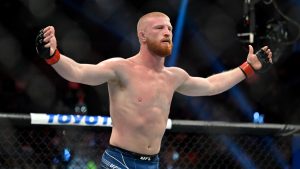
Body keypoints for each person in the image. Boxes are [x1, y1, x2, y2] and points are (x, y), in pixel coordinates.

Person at [35, 12, 273, 169]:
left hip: (153, 163)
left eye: (169, 27)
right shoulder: (121, 68)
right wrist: (53, 56)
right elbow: (78, 72)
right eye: (159, 27)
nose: (167, 31)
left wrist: (247, 68)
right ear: (142, 35)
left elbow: (211, 85)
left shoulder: (174, 76)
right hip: (120, 161)